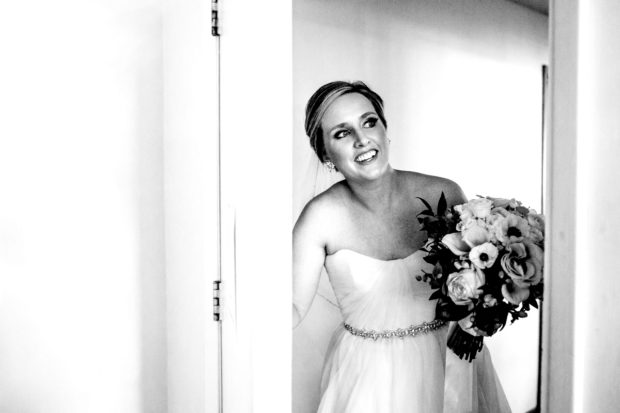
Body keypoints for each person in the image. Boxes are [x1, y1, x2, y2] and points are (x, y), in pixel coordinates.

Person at [293, 81, 511, 412]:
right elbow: (291, 307)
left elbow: (484, 279)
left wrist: (475, 326)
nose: (361, 139)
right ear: (325, 155)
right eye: (341, 133)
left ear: (385, 130)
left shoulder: (446, 194)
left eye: (369, 122)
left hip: (449, 365)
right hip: (367, 378)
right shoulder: (319, 218)